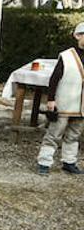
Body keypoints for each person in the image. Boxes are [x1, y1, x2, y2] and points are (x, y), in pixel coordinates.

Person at [35, 22, 84, 175]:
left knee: (74, 135)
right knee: (54, 134)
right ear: (77, 36)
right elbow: (54, 79)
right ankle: (44, 162)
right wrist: (51, 100)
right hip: (64, 102)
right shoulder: (67, 56)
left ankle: (69, 162)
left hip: (82, 106)